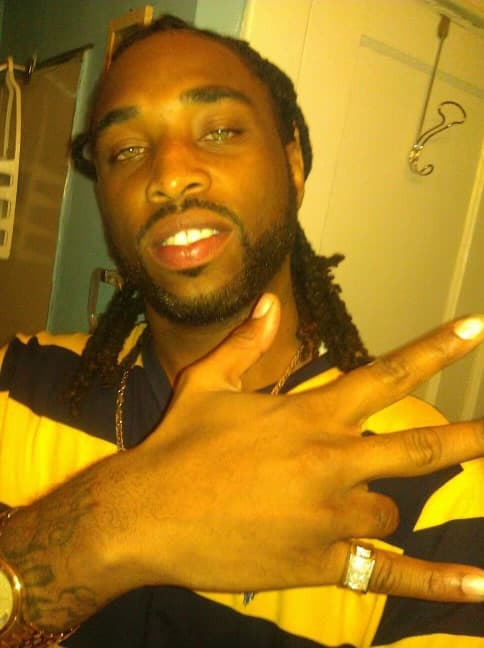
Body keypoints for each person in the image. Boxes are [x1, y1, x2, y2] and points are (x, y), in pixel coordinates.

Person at [0, 13, 482, 648]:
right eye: (127, 150)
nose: (169, 176)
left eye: (221, 131)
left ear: (294, 165)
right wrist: (115, 521)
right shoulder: (16, 384)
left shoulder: (435, 490)